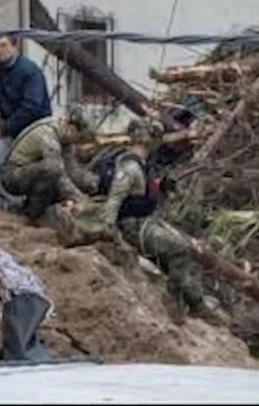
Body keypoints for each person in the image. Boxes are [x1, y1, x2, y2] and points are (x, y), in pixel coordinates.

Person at [55, 120, 216, 323]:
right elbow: (115, 200)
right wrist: (108, 231)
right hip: (132, 226)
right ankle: (189, 303)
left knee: (183, 244)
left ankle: (185, 299)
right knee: (179, 248)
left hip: (143, 220)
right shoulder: (130, 167)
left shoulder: (142, 163)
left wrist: (162, 188)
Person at [0, 34, 85, 219]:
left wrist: (5, 128)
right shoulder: (4, 71)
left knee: (47, 168)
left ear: (14, 46)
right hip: (14, 127)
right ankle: (12, 201)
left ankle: (29, 204)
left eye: (3, 46)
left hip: (32, 128)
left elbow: (32, 106)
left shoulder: (29, 72)